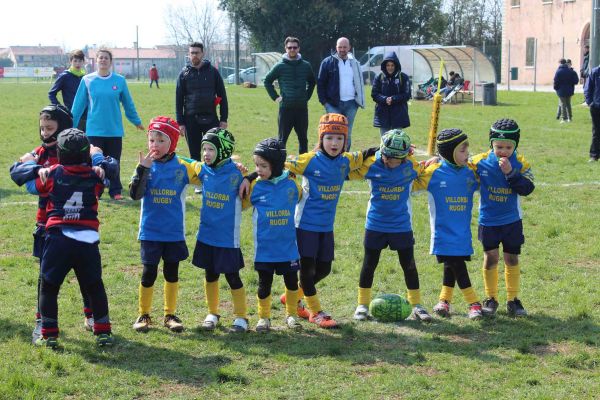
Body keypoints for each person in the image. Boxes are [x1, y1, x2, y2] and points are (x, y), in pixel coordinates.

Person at [9, 105, 98, 343]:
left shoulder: (77, 149)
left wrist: (98, 158)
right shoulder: (39, 152)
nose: (45, 132)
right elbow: (17, 174)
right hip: (46, 225)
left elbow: (97, 164)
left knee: (85, 275)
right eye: (42, 128)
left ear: (63, 128)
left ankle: (91, 315)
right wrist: (33, 167)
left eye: (50, 128)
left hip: (78, 222)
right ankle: (42, 321)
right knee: (44, 277)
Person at [272, 113, 368, 328]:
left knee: (323, 269)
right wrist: (285, 176)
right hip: (304, 225)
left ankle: (292, 295)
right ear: (321, 139)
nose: (334, 143)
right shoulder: (309, 160)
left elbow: (367, 154)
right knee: (307, 271)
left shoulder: (346, 161)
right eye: (329, 138)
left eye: (339, 138)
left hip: (326, 226)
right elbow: (280, 164)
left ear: (345, 141)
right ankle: (315, 312)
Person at [26, 129, 114, 348]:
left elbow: (21, 178)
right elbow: (112, 168)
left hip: (58, 238)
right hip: (87, 239)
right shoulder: (96, 174)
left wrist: (32, 165)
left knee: (49, 286)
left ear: (60, 153)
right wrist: (98, 159)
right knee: (94, 284)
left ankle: (49, 333)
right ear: (86, 154)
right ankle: (103, 330)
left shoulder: (53, 172)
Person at [348, 130, 432, 322]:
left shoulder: (410, 166)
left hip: (401, 225)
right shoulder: (371, 165)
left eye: (396, 159)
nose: (390, 162)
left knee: (409, 265)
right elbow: (346, 170)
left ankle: (417, 305)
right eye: (387, 157)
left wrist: (433, 161)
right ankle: (362, 305)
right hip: (375, 224)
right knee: (369, 264)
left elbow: (424, 169)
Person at [129, 116, 201, 333]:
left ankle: (170, 314)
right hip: (150, 231)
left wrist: (233, 167)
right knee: (148, 272)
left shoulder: (183, 165)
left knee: (172, 272)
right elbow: (135, 195)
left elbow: (209, 174)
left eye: (161, 141)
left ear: (172, 143)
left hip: (173, 233)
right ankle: (144, 314)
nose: (155, 145)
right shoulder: (144, 165)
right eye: (151, 140)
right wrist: (143, 170)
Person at [413, 128, 483, 320]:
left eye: (467, 149)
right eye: (462, 150)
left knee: (453, 263)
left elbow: (487, 180)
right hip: (442, 231)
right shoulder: (433, 172)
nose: (467, 153)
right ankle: (473, 302)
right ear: (449, 152)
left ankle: (446, 301)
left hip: (462, 231)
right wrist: (419, 164)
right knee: (455, 263)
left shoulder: (471, 172)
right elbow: (410, 183)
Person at [470, 119, 535, 317]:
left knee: (511, 258)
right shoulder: (479, 161)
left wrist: (511, 173)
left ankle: (513, 300)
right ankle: (490, 298)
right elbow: (459, 166)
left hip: (512, 221)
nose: (503, 151)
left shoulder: (521, 163)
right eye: (498, 147)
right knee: (491, 257)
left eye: (508, 147)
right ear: (491, 143)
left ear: (515, 145)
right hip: (488, 221)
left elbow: (527, 188)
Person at [241, 138, 304, 332]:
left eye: (263, 166)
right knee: (264, 284)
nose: (258, 169)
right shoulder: (255, 187)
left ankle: (291, 315)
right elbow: (241, 205)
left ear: (276, 166)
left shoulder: (292, 185)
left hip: (288, 247)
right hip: (265, 248)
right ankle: (264, 318)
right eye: (256, 165)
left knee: (292, 283)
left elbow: (301, 195)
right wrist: (247, 177)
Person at [191, 128, 249, 333]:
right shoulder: (203, 170)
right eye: (204, 149)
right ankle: (212, 313)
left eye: (211, 149)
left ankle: (241, 317)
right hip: (207, 235)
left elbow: (262, 174)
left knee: (232, 276)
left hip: (227, 238)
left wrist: (247, 177)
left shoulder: (237, 173)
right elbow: (181, 160)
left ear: (223, 151)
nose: (206, 153)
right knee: (210, 274)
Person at [71, 48, 144, 200]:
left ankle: (115, 190)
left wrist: (136, 121)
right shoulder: (87, 80)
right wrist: (71, 125)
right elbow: (78, 106)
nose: (103, 60)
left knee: (114, 162)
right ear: (96, 61)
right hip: (94, 130)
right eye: (101, 58)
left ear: (111, 62)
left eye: (106, 58)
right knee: (95, 163)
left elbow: (128, 103)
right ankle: (96, 190)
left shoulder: (119, 81)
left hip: (114, 130)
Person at [176, 41, 228, 164]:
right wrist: (180, 122)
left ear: (202, 53)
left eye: (197, 53)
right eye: (192, 53)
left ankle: (213, 180)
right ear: (189, 55)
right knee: (194, 155)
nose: (194, 55)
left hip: (211, 118)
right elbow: (178, 100)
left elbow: (222, 96)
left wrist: (224, 119)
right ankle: (197, 181)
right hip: (191, 120)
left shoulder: (213, 72)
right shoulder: (184, 74)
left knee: (214, 152)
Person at [264, 37, 316, 155]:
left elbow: (312, 82)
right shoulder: (279, 66)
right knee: (282, 140)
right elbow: (267, 81)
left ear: (299, 48)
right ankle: (279, 166)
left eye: (295, 47)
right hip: (285, 108)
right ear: (285, 48)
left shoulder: (306, 65)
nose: (292, 49)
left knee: (303, 139)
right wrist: (275, 97)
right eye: (289, 47)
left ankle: (303, 166)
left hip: (302, 108)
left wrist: (306, 96)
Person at [317, 37, 365, 150]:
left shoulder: (355, 63)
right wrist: (325, 103)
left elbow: (360, 82)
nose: (342, 49)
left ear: (349, 47)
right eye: (340, 47)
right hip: (333, 104)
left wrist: (359, 101)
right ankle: (330, 157)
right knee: (333, 132)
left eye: (344, 47)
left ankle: (345, 158)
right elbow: (320, 83)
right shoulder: (327, 62)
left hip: (352, 104)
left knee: (347, 133)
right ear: (336, 48)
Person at [371, 52, 411, 136]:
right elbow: (374, 94)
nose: (390, 67)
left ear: (396, 65)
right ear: (384, 66)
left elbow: (407, 95)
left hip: (398, 115)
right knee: (384, 141)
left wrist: (393, 99)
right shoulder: (379, 77)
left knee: (397, 141)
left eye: (392, 65)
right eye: (388, 65)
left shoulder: (403, 77)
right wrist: (385, 99)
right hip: (383, 114)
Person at [48, 49, 87, 130]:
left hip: (86, 115)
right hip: (71, 115)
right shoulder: (65, 76)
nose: (77, 63)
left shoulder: (86, 77)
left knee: (87, 141)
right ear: (70, 61)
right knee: (74, 140)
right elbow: (51, 94)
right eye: (75, 61)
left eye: (80, 61)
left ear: (83, 62)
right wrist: (60, 107)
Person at [553, 58, 579, 123]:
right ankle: (570, 118)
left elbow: (555, 81)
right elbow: (576, 81)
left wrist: (556, 88)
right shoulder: (571, 71)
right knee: (568, 104)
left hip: (561, 91)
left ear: (560, 63)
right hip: (570, 90)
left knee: (563, 104)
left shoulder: (558, 71)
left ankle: (564, 118)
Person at [584, 65, 600, 162]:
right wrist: (590, 102)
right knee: (596, 131)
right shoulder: (595, 72)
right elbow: (587, 88)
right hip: (596, 107)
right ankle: (594, 155)